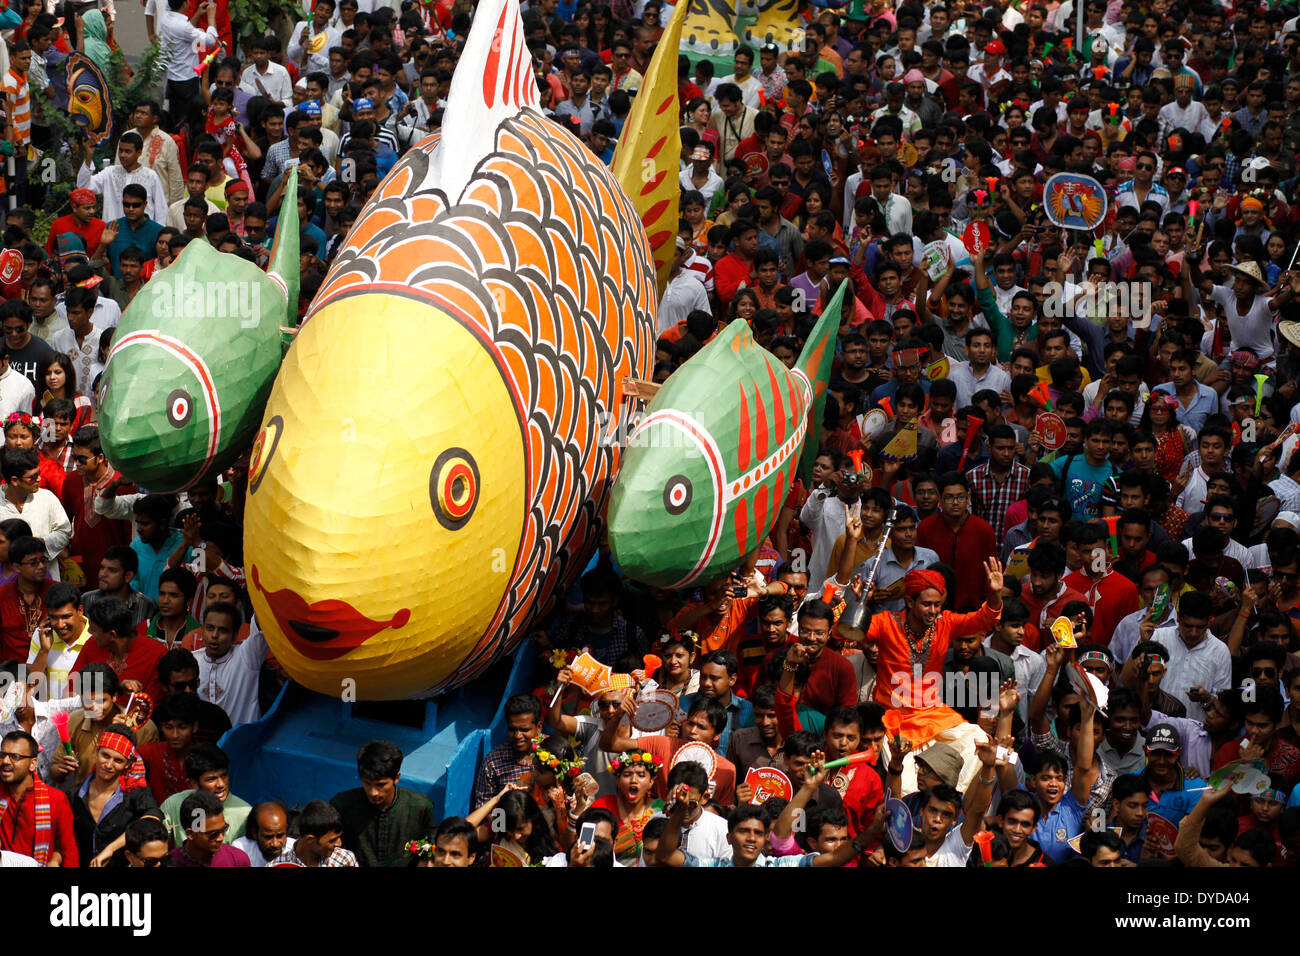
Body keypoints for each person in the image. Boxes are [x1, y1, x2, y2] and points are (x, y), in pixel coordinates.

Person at [66, 725, 164, 867]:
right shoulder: (74, 795)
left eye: (118, 760)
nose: (109, 764)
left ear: (128, 764)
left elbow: (153, 819)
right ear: (96, 751)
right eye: (105, 755)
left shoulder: (135, 793)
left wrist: (110, 849)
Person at [330, 740, 438, 867]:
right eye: (367, 783)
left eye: (380, 785)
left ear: (396, 778)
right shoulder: (342, 805)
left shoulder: (421, 807)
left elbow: (428, 851)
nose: (373, 792)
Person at [0, 729, 78, 866]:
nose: (5, 761)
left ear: (33, 764)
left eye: (15, 757)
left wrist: (56, 858)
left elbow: (69, 851)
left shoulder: (56, 799)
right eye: (2, 755)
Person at [194, 601, 267, 725]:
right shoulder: (192, 660)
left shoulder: (247, 656)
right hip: (202, 742)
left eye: (223, 630)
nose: (214, 635)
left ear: (234, 636)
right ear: (202, 630)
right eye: (210, 628)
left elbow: (263, 616)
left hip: (241, 741)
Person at [471, 694, 542, 809]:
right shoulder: (493, 763)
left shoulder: (554, 752)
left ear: (538, 727)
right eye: (512, 729)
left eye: (525, 730)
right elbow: (484, 808)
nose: (518, 735)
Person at [169, 789, 250, 866]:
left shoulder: (237, 860)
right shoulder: (169, 862)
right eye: (213, 834)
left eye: (224, 829)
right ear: (191, 834)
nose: (220, 838)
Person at [229, 800, 294, 866]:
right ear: (254, 833)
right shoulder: (241, 849)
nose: (275, 844)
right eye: (268, 837)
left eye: (280, 836)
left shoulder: (295, 849)